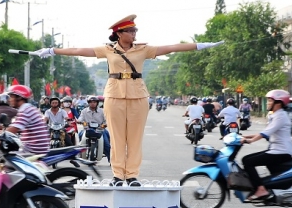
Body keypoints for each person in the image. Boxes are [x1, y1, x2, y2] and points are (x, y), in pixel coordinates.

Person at [31, 14, 224, 185]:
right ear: (119, 33)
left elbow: (171, 48)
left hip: (138, 96)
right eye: (131, 31)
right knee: (116, 138)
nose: (134, 34)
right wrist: (52, 50)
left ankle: (131, 176)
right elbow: (79, 50)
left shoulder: (143, 49)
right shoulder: (107, 49)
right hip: (114, 96)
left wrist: (199, 46)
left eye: (135, 30)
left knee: (134, 139)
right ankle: (117, 175)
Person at [241, 89, 292, 201]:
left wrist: (250, 141)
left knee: (248, 161)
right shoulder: (276, 115)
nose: (268, 103)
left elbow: (265, 133)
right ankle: (273, 190)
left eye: (270, 101)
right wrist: (244, 136)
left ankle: (261, 190)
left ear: (278, 103)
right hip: (276, 150)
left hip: (281, 151)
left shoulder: (280, 116)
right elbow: (265, 131)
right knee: (251, 160)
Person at [6, 85, 50, 154]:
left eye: (11, 97)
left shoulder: (25, 110)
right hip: (36, 148)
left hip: (33, 150)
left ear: (19, 97)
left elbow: (14, 129)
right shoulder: (28, 108)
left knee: (7, 156)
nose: (9, 99)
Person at [77, 95, 111, 162]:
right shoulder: (84, 111)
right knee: (80, 135)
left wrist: (104, 125)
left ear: (97, 103)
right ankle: (81, 153)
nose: (93, 103)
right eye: (91, 102)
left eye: (94, 102)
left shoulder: (102, 111)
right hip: (87, 129)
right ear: (88, 103)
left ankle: (111, 159)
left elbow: (106, 120)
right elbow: (80, 118)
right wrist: (80, 121)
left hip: (100, 130)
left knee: (106, 143)